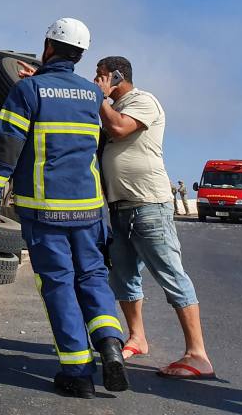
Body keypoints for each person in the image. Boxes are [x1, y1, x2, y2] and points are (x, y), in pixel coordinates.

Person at [0, 18, 128, 398]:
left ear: (48, 46)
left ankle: (78, 372)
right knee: (93, 277)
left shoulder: (28, 90)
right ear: (80, 54)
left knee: (59, 285)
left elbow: (6, 146)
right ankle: (110, 342)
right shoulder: (92, 96)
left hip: (46, 212)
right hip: (89, 211)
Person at [95, 56, 215, 380]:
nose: (97, 80)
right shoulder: (109, 108)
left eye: (101, 75)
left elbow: (120, 129)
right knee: (123, 277)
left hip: (149, 206)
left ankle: (197, 354)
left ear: (117, 76)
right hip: (120, 208)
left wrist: (99, 99)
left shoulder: (143, 101)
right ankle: (138, 337)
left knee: (171, 275)